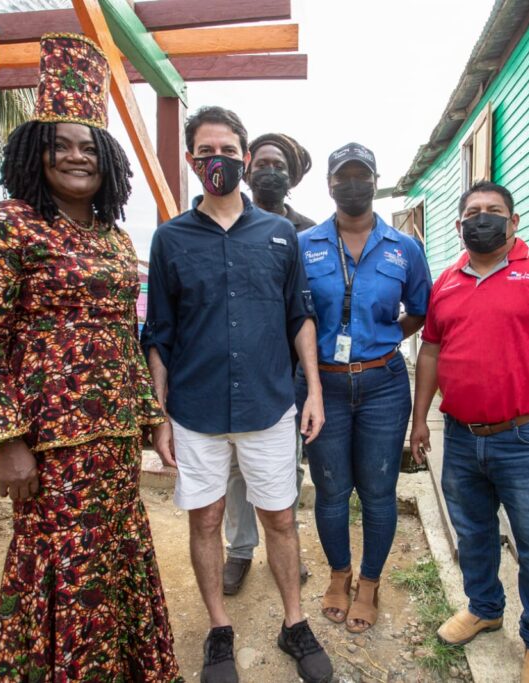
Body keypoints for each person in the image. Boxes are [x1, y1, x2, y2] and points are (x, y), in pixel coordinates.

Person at [0, 34, 181, 682]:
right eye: (58, 143)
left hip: (114, 440)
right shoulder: (4, 226)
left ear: (107, 160)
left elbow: (124, 334)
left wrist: (152, 415)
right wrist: (8, 443)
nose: (73, 156)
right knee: (60, 564)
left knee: (115, 556)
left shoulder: (117, 239)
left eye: (88, 146)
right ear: (35, 152)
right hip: (48, 444)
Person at [141, 106, 333, 683]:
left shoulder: (279, 234)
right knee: (206, 523)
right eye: (206, 152)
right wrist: (160, 413)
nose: (217, 160)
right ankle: (219, 629)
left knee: (279, 519)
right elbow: (159, 333)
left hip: (268, 406)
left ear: (244, 160)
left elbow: (299, 315)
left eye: (227, 151)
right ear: (193, 161)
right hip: (196, 412)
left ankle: (294, 622)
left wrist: (314, 392)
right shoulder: (169, 239)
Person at [409, 180, 529, 683]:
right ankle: (485, 607)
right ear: (459, 225)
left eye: (494, 211)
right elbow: (429, 352)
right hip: (461, 435)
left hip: (527, 437)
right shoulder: (445, 281)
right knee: (472, 533)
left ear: (515, 222)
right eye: (473, 211)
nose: (483, 217)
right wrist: (418, 420)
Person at [295, 143, 432, 634]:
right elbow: (295, 316)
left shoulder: (404, 248)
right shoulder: (304, 244)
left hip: (383, 385)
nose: (352, 185)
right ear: (329, 185)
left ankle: (370, 582)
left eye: (362, 176)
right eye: (343, 177)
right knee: (331, 492)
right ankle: (339, 575)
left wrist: (382, 339)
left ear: (376, 181)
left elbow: (420, 309)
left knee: (378, 492)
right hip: (322, 386)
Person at [222, 133, 316, 595]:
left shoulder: (309, 231)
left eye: (279, 164)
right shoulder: (225, 221)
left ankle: (286, 548)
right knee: (236, 464)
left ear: (292, 175)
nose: (269, 172)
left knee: (287, 465)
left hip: (290, 373)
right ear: (246, 167)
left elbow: (311, 307)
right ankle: (239, 549)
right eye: (261, 163)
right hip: (239, 367)